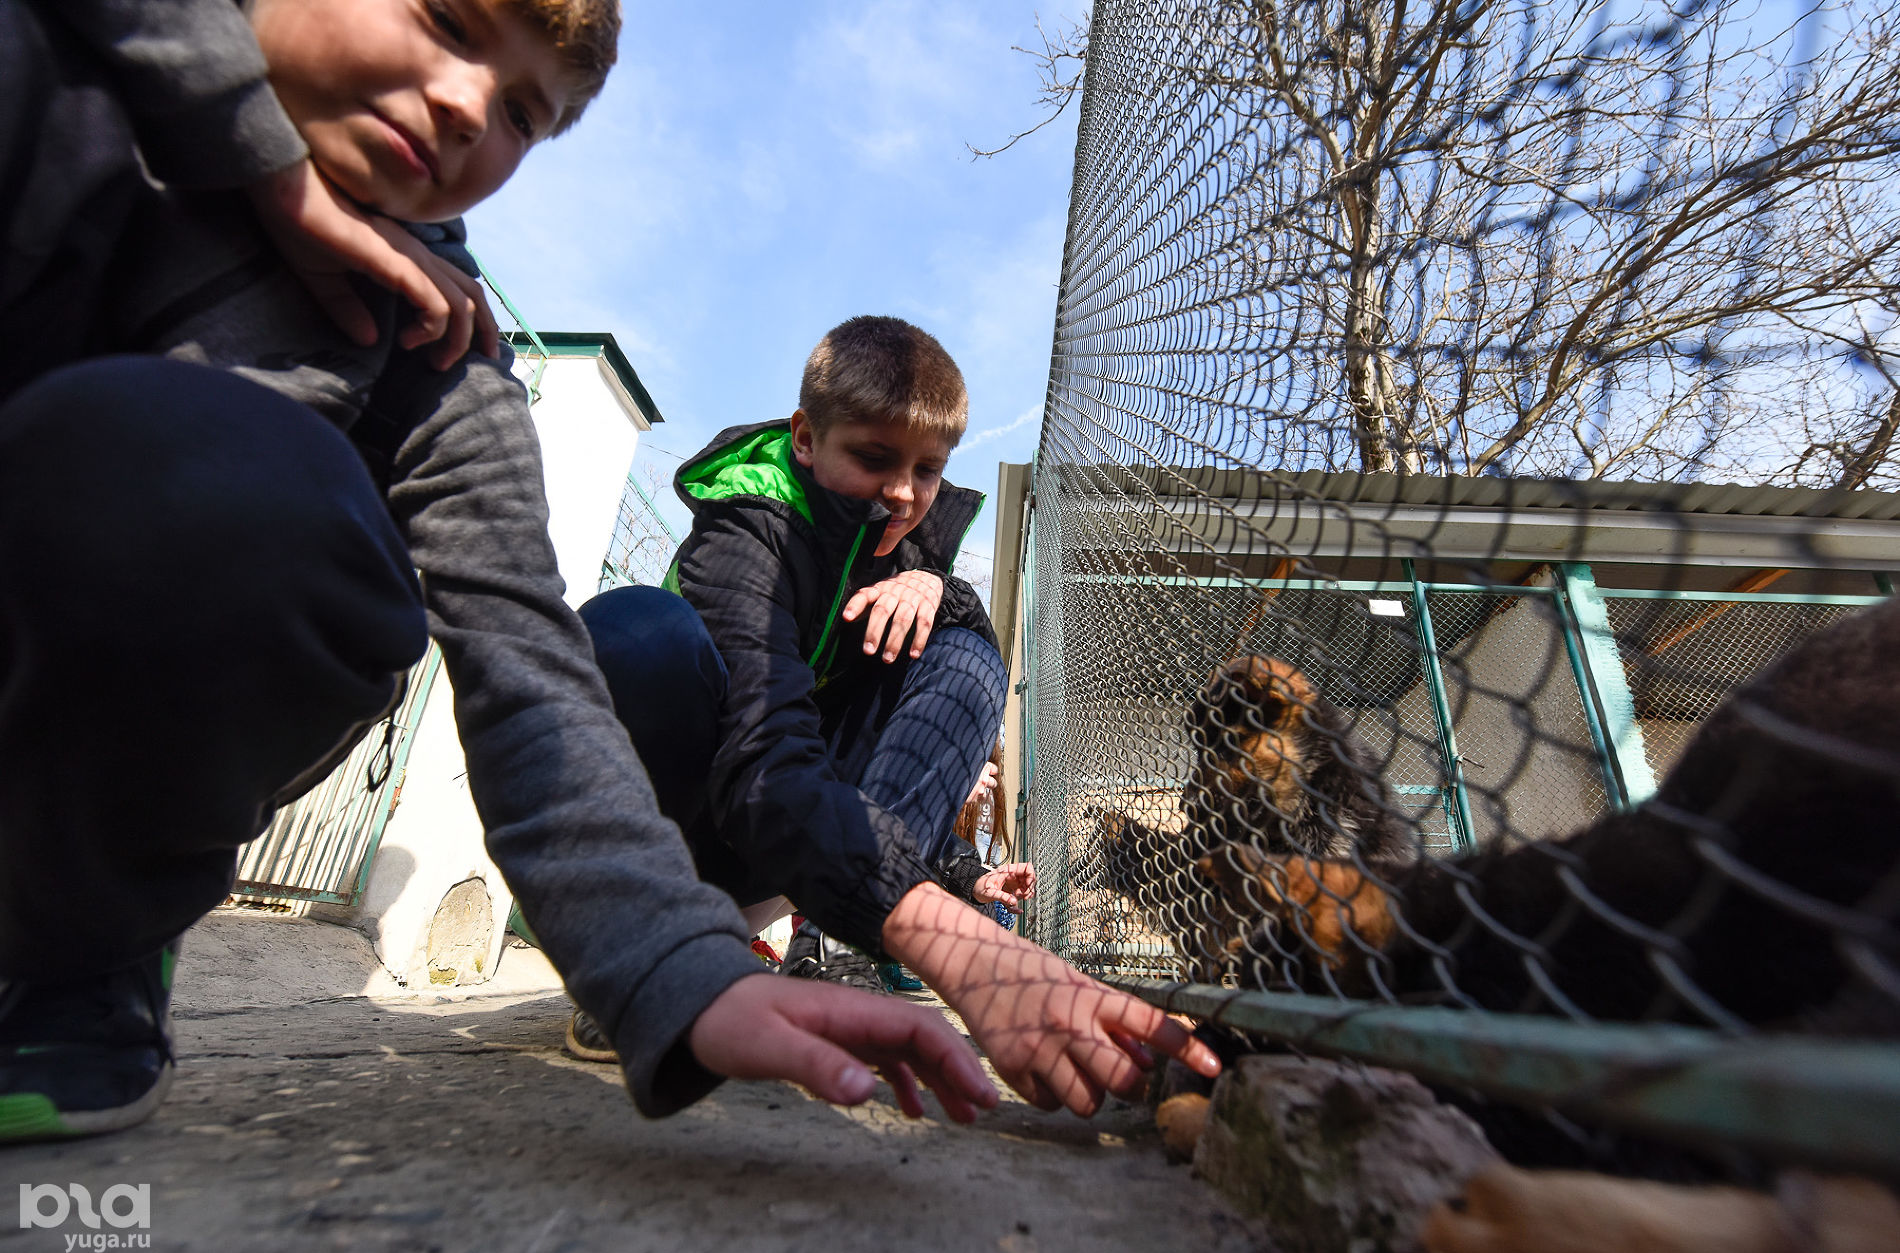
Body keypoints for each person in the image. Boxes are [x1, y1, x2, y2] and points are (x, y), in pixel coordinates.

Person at [0, 0, 1028, 1144]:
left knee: (251, 480)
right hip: (753, 794)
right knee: (637, 632)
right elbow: (756, 740)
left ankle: (84, 937)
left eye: (522, 115)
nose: (463, 105)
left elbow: (526, 675)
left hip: (795, 832)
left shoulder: (441, 352)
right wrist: (250, 143)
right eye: (445, 20)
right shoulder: (44, 79)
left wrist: (679, 972)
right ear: (804, 438)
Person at [574, 316, 1216, 1116]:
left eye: (928, 469)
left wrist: (937, 586)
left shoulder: (911, 551)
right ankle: (644, 939)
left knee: (969, 656)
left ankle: (824, 935)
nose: (904, 493)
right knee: (633, 629)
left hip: (793, 857)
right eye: (874, 458)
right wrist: (958, 947)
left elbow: (917, 736)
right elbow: (762, 755)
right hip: (700, 820)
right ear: (805, 438)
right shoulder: (744, 535)